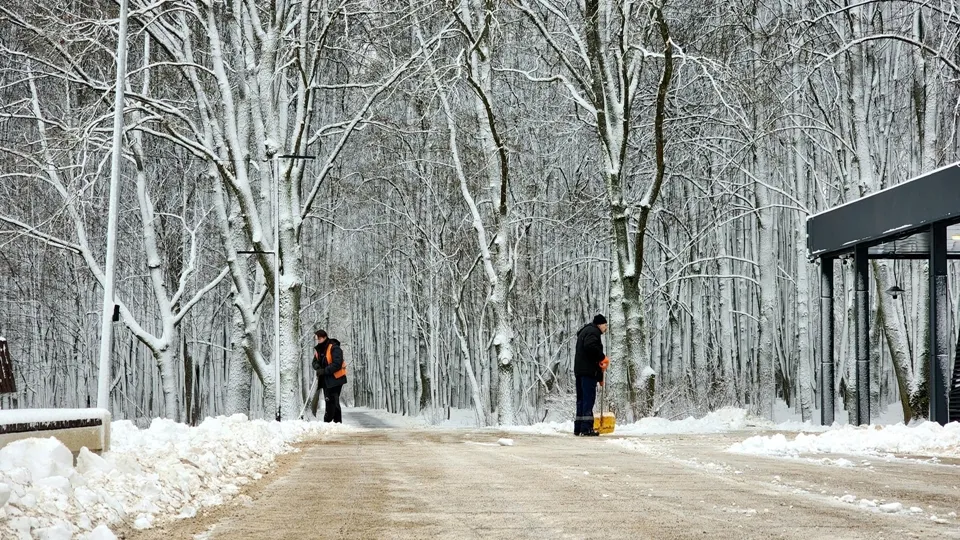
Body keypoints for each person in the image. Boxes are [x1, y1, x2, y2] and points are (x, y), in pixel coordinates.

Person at [573, 314, 608, 436]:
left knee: (581, 400)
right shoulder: (594, 332)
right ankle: (586, 428)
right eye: (605, 325)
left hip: (580, 371)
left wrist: (600, 377)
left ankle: (578, 427)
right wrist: (602, 357)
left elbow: (588, 353)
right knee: (588, 399)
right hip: (588, 372)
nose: (605, 328)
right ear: (600, 324)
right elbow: (591, 347)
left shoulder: (585, 332)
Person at [312, 329, 347, 423]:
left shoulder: (334, 347)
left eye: (319, 338)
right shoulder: (319, 349)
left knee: (333, 400)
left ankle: (333, 422)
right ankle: (332, 423)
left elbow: (337, 364)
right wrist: (318, 367)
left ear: (324, 337)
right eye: (317, 339)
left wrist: (324, 370)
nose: (318, 340)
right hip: (326, 379)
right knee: (329, 400)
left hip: (336, 378)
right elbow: (314, 362)